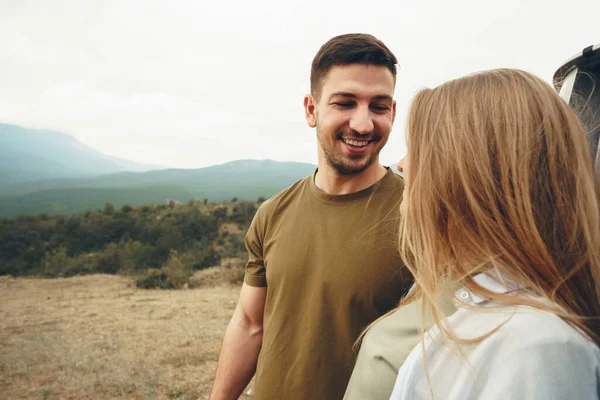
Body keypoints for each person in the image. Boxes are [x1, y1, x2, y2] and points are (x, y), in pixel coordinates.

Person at [209, 33, 414, 400]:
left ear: (393, 113)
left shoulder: (419, 216)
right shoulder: (273, 213)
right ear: (311, 109)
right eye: (345, 103)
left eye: (379, 107)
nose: (364, 124)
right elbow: (249, 324)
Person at [385, 68, 600, 399]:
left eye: (419, 146)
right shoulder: (500, 321)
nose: (401, 163)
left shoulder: (538, 348)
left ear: (467, 172)